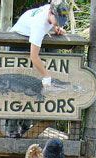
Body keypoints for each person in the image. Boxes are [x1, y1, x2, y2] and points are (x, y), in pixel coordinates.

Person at [5, 0, 69, 138]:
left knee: (32, 88)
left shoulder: (49, 10)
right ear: (51, 13)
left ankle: (26, 126)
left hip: (29, 39)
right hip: (18, 43)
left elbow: (50, 18)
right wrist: (46, 76)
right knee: (19, 87)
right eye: (57, 19)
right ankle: (11, 129)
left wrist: (55, 27)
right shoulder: (39, 25)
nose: (59, 22)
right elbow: (34, 57)